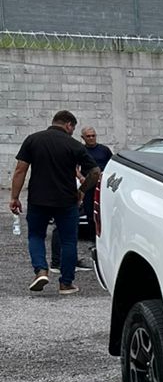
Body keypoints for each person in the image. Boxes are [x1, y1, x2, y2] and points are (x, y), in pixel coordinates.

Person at [9, 110, 101, 295]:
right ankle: (66, 284)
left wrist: (14, 197)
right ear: (68, 125)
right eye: (73, 128)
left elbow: (20, 170)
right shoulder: (74, 145)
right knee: (68, 241)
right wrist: (82, 191)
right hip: (66, 200)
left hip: (38, 199)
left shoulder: (33, 140)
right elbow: (95, 172)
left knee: (36, 236)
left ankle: (41, 271)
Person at [51, 124, 112, 272]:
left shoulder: (104, 150)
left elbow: (111, 165)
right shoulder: (78, 150)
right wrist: (81, 179)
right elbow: (74, 168)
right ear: (83, 138)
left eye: (93, 135)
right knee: (71, 222)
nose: (91, 138)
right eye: (88, 136)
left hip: (99, 186)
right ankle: (59, 262)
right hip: (81, 188)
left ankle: (68, 260)